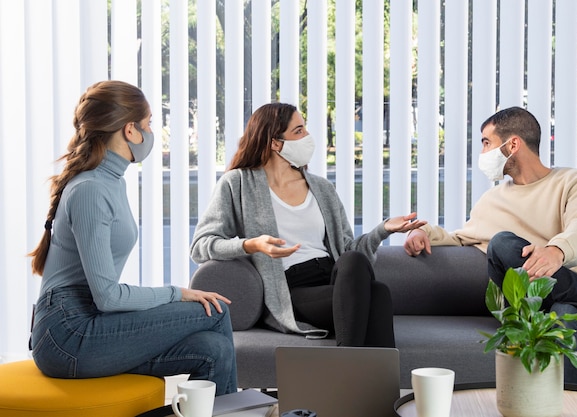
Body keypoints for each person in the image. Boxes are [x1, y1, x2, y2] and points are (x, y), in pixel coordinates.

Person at [28, 80, 237, 395]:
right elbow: (109, 297)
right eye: (149, 123)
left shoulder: (111, 181)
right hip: (66, 336)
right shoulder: (91, 189)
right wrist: (177, 292)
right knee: (214, 310)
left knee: (213, 349)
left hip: (89, 322)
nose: (151, 131)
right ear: (130, 130)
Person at [404, 106, 577, 384]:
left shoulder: (573, 182)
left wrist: (556, 251)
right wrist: (422, 232)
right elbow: (460, 237)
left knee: (567, 313)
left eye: (487, 143)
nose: (483, 154)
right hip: (533, 306)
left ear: (512, 145)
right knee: (502, 244)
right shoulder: (492, 200)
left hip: (576, 307)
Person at [190, 102, 425, 347]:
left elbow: (347, 248)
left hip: (337, 278)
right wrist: (252, 245)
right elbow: (201, 246)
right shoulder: (237, 183)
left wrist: (383, 230)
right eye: (299, 131)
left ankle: (349, 374)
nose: (308, 137)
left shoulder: (322, 188)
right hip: (293, 289)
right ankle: (368, 380)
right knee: (378, 295)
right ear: (275, 143)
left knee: (354, 261)